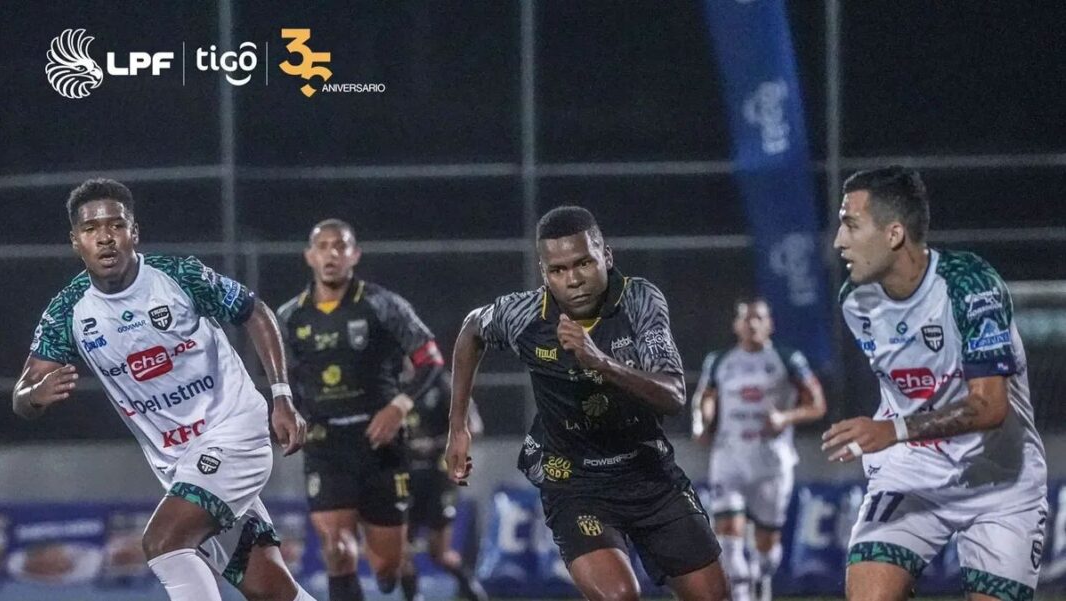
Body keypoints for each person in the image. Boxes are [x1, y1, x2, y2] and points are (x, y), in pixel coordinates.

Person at [12, 178, 314, 601]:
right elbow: (23, 392)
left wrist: (282, 396)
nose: (105, 237)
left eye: (116, 225)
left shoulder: (178, 276)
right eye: (91, 229)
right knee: (271, 589)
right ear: (75, 241)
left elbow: (255, 311)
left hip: (234, 434)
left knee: (163, 542)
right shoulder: (69, 310)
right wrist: (33, 397)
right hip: (181, 465)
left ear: (133, 232)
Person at [445, 206, 728, 601]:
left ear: (606, 256)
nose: (573, 279)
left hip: (648, 472)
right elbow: (471, 330)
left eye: (583, 263)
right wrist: (457, 425)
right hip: (574, 482)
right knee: (620, 596)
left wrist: (600, 362)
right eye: (558, 270)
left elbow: (674, 396)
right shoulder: (524, 313)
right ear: (545, 274)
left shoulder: (639, 300)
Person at [823, 166, 1048, 601]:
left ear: (893, 234)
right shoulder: (856, 300)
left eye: (851, 225)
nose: (838, 241)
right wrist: (891, 436)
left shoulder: (969, 286)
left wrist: (892, 430)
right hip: (913, 471)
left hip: (1001, 478)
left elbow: (990, 407)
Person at [277, 219, 445, 601]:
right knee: (337, 550)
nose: (331, 254)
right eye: (323, 246)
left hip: (380, 444)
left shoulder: (383, 304)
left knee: (386, 569)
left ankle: (397, 572)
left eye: (340, 246)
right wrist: (288, 413)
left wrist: (399, 407)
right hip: (326, 444)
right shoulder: (289, 317)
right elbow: (280, 378)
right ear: (309, 256)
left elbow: (431, 359)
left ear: (354, 255)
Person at [691, 297, 826, 601]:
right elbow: (705, 396)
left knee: (766, 548)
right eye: (746, 318)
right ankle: (742, 594)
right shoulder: (720, 360)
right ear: (736, 325)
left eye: (759, 318)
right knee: (728, 538)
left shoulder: (788, 359)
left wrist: (786, 418)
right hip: (729, 457)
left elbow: (817, 404)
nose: (752, 324)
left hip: (772, 462)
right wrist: (702, 422)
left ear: (770, 324)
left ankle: (762, 577)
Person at [398, 364, 488, 601]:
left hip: (437, 475)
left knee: (438, 552)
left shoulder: (442, 382)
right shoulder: (392, 385)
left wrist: (437, 443)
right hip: (404, 476)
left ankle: (472, 591)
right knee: (400, 549)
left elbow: (474, 426)